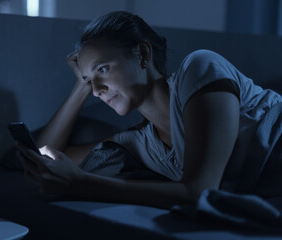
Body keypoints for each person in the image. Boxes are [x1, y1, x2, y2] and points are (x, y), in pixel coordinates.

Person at [16, 11, 282, 209]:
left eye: (103, 68)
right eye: (89, 80)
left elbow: (199, 191)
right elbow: (44, 155)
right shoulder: (139, 142)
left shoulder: (199, 68)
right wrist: (81, 87)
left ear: (143, 54)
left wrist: (81, 184)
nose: (97, 89)